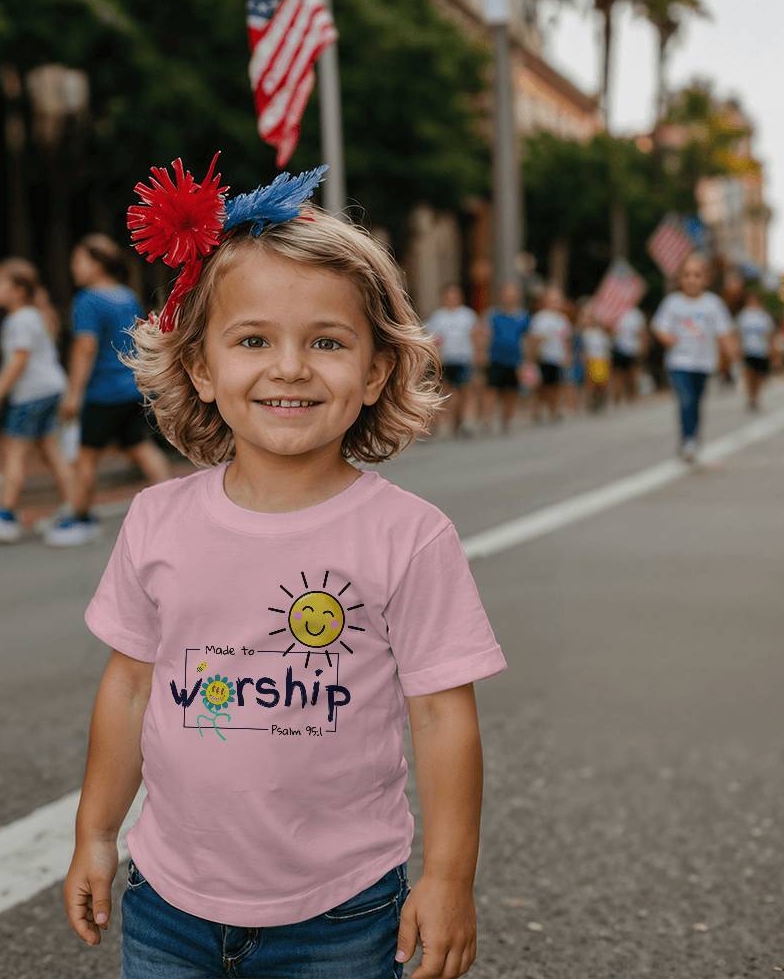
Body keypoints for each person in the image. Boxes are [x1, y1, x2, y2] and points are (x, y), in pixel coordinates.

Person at [63, 154, 508, 979]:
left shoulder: (408, 536)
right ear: (201, 364)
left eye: (328, 342)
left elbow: (445, 718)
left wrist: (448, 879)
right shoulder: (157, 519)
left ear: (376, 370)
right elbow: (129, 685)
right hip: (167, 901)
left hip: (340, 911)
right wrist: (95, 832)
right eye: (253, 339)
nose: (291, 367)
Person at [45, 234, 173, 547]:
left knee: (85, 459)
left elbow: (85, 347)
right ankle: (175, 510)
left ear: (98, 264)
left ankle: (80, 517)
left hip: (102, 393)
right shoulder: (126, 295)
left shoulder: (88, 300)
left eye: (79, 261)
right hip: (131, 387)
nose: (74, 268)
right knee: (142, 450)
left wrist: (74, 393)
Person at [0, 258, 75, 541]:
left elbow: (18, 362)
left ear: (18, 290)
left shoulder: (20, 320)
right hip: (50, 389)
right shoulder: (32, 316)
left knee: (14, 452)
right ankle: (73, 508)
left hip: (31, 394)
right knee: (51, 451)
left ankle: (4, 513)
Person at [651, 253, 737, 462]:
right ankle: (688, 439)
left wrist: (732, 354)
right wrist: (667, 338)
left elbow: (724, 332)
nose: (691, 279)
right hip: (679, 362)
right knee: (686, 399)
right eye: (687, 275)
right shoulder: (672, 303)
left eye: (697, 275)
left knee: (696, 401)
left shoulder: (712, 304)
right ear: (680, 279)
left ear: (706, 279)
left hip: (703, 363)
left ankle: (692, 435)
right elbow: (658, 326)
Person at [425, 283, 479, 438]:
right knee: (444, 393)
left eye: (454, 296)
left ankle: (461, 422)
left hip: (463, 358)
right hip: (446, 360)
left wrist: (476, 355)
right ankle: (436, 423)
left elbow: (475, 336)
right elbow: (433, 340)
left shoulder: (467, 315)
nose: (451, 299)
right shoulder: (438, 317)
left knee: (464, 392)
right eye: (449, 296)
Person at [480, 281, 530, 435]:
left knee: (511, 391)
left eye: (512, 295)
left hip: (515, 360)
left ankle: (506, 420)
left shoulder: (522, 316)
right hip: (495, 357)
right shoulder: (493, 314)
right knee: (491, 389)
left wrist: (527, 360)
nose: (509, 298)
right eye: (507, 295)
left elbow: (526, 339)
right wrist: (482, 352)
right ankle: (487, 420)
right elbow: (486, 334)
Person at [527, 284, 571, 424]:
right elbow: (533, 339)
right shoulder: (540, 318)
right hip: (543, 357)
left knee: (555, 386)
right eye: (552, 300)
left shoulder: (563, 320)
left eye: (557, 300)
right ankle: (537, 410)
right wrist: (532, 357)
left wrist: (567, 355)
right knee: (541, 386)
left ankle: (554, 410)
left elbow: (566, 340)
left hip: (557, 357)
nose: (555, 303)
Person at [736, 289, 776, 412]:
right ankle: (751, 397)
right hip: (748, 349)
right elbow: (738, 333)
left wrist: (771, 348)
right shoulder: (743, 315)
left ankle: (756, 395)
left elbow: (769, 333)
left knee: (759, 376)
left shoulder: (763, 316)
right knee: (749, 374)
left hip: (761, 350)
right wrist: (738, 348)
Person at [610, 304, 648, 405]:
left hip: (633, 349)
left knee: (632, 374)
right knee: (618, 373)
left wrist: (643, 347)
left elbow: (642, 332)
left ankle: (632, 394)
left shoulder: (636, 314)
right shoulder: (615, 311)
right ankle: (617, 395)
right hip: (618, 348)